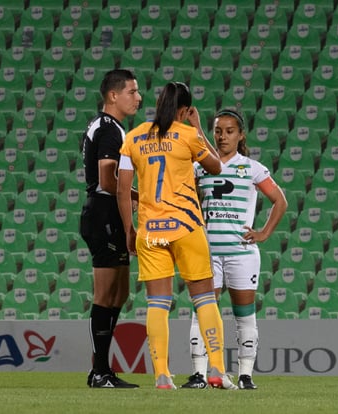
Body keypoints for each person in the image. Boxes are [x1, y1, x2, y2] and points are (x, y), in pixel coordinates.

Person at [117, 82, 238, 390]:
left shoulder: (133, 137)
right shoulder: (187, 135)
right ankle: (216, 370)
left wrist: (130, 230)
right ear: (185, 110)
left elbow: (121, 189)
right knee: (205, 299)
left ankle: (161, 375)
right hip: (186, 228)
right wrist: (198, 127)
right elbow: (216, 166)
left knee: (157, 303)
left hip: (150, 231)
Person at [181, 108, 288, 390]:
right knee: (201, 312)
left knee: (244, 315)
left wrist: (264, 232)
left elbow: (280, 200)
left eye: (229, 131)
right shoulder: (199, 167)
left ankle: (245, 375)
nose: (223, 136)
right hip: (207, 253)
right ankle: (199, 374)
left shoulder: (251, 167)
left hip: (242, 254)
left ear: (241, 135)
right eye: (218, 131)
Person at [80, 69, 142, 388]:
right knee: (106, 293)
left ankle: (103, 369)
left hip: (109, 213)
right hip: (103, 211)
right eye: (132, 91)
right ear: (113, 96)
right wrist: (138, 196)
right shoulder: (108, 128)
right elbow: (107, 179)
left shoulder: (111, 127)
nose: (139, 97)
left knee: (120, 292)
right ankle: (100, 371)